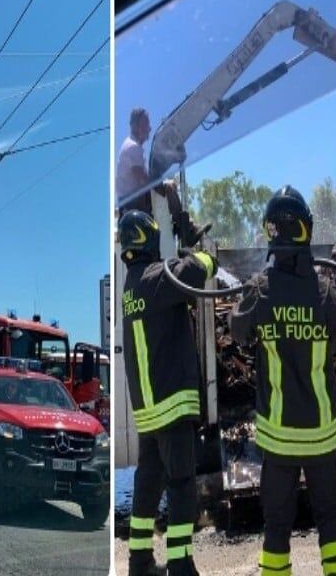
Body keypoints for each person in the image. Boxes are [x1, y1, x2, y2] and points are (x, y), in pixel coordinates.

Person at [228, 186, 336, 576]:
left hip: (279, 440)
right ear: (306, 231)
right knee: (331, 525)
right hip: (321, 436)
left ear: (271, 233)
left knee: (276, 531)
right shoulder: (326, 292)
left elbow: (236, 330)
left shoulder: (259, 291)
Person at [119, 209, 217, 576]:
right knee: (181, 485)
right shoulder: (158, 278)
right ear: (148, 239)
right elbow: (200, 268)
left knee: (147, 485)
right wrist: (199, 249)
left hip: (147, 411)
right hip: (172, 406)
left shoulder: (132, 287)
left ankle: (139, 563)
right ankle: (179, 563)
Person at [117, 108, 210, 247]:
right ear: (136, 126)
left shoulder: (132, 147)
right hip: (133, 205)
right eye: (146, 124)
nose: (149, 128)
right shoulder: (132, 148)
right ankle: (186, 230)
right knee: (168, 188)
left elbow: (146, 178)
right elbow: (143, 180)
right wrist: (164, 184)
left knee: (165, 187)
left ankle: (183, 228)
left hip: (133, 204)